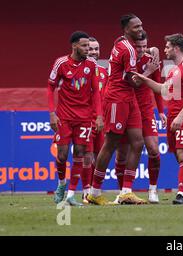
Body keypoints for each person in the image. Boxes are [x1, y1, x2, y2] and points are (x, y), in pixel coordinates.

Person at [132, 33, 183, 205]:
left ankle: (181, 194)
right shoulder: (175, 71)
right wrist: (143, 79)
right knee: (180, 157)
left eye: (168, 47)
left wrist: (181, 116)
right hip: (173, 116)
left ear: (176, 48)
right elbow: (162, 89)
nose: (165, 50)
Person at [87, 14, 147, 205]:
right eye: (136, 27)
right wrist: (150, 72)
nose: (140, 29)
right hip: (117, 99)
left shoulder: (121, 43)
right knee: (110, 144)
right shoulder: (127, 48)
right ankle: (94, 192)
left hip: (128, 99)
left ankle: (126, 191)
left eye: (141, 26)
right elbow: (133, 80)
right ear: (127, 29)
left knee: (138, 143)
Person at [48, 31, 103, 206]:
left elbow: (96, 93)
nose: (88, 49)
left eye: (89, 46)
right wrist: (51, 113)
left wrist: (99, 116)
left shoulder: (91, 64)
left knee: (80, 153)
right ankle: (62, 184)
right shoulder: (61, 63)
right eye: (84, 46)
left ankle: (71, 195)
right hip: (64, 116)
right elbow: (50, 88)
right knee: (62, 155)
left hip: (85, 118)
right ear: (74, 46)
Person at [115, 33, 167, 203]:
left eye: (145, 46)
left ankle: (153, 189)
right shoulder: (125, 58)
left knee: (153, 149)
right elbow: (133, 81)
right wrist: (148, 71)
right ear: (131, 45)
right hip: (126, 108)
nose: (142, 49)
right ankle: (123, 191)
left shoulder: (151, 59)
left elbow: (157, 86)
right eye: (138, 46)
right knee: (121, 154)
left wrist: (160, 111)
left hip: (145, 110)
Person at [81, 37, 109, 203]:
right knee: (86, 156)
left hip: (101, 121)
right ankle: (85, 191)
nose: (93, 52)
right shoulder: (80, 70)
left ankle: (95, 191)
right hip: (85, 120)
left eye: (96, 49)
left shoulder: (104, 72)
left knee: (100, 157)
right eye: (90, 49)